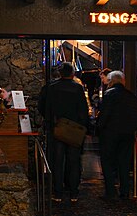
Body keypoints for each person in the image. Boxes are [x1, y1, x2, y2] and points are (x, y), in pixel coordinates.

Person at [38, 62, 89, 203]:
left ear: (60, 73)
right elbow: (83, 110)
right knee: (73, 161)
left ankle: (58, 192)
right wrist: (84, 127)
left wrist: (49, 122)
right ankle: (73, 192)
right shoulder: (78, 88)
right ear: (72, 74)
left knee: (57, 161)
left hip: (56, 128)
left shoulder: (51, 87)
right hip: (74, 129)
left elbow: (42, 106)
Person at [98, 71, 137, 200]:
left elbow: (104, 115)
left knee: (107, 162)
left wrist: (99, 128)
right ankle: (124, 191)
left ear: (111, 81)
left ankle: (111, 192)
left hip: (110, 134)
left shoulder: (109, 94)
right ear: (123, 81)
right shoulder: (131, 96)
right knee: (123, 163)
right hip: (127, 134)